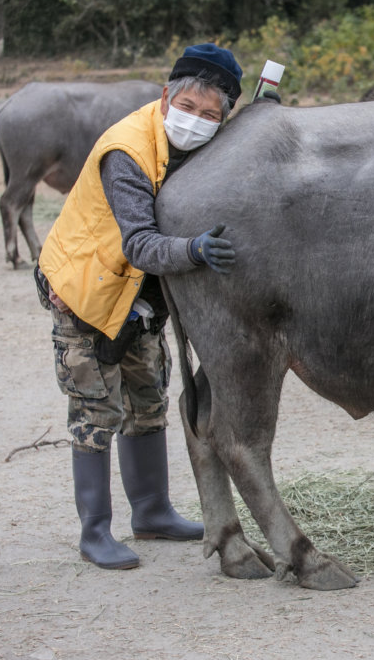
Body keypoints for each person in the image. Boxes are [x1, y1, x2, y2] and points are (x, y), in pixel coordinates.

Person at [35, 43, 244, 570]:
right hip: (86, 293)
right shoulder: (126, 150)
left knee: (148, 401)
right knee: (95, 411)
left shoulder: (196, 147)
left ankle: (151, 511)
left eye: (210, 115)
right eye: (188, 107)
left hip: (138, 299)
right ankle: (95, 531)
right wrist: (193, 251)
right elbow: (140, 244)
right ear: (165, 96)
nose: (195, 121)